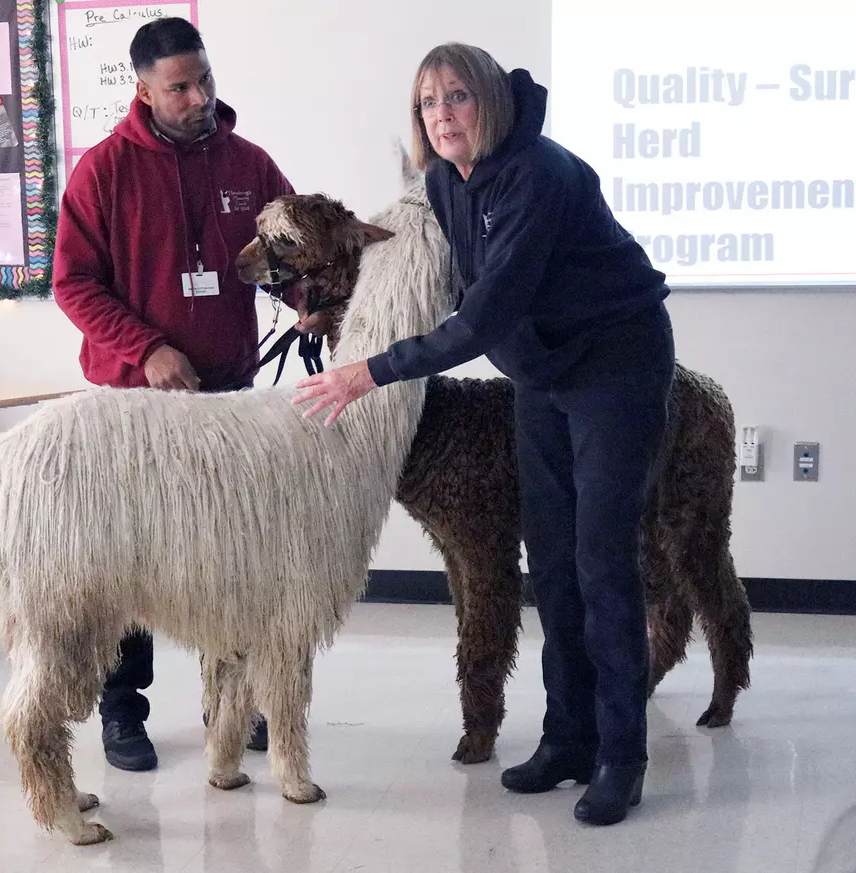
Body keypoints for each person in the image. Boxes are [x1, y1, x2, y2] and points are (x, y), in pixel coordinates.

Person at [292, 43, 675, 826]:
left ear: (490, 104)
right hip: (540, 372)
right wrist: (336, 310)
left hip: (614, 363)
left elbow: (486, 313)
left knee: (602, 561)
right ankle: (567, 736)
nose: (442, 114)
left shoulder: (539, 173)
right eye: (429, 102)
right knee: (553, 558)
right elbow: (414, 273)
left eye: (457, 97)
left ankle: (620, 755)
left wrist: (370, 370)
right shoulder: (442, 180)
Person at [54, 16, 292, 771]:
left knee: (233, 556)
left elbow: (290, 256)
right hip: (135, 411)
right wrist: (146, 346)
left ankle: (233, 703)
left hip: (229, 401)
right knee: (132, 565)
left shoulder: (250, 165)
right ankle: (123, 713)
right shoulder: (103, 171)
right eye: (179, 87)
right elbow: (72, 284)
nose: (197, 98)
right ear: (144, 90)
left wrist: (311, 297)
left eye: (204, 80)